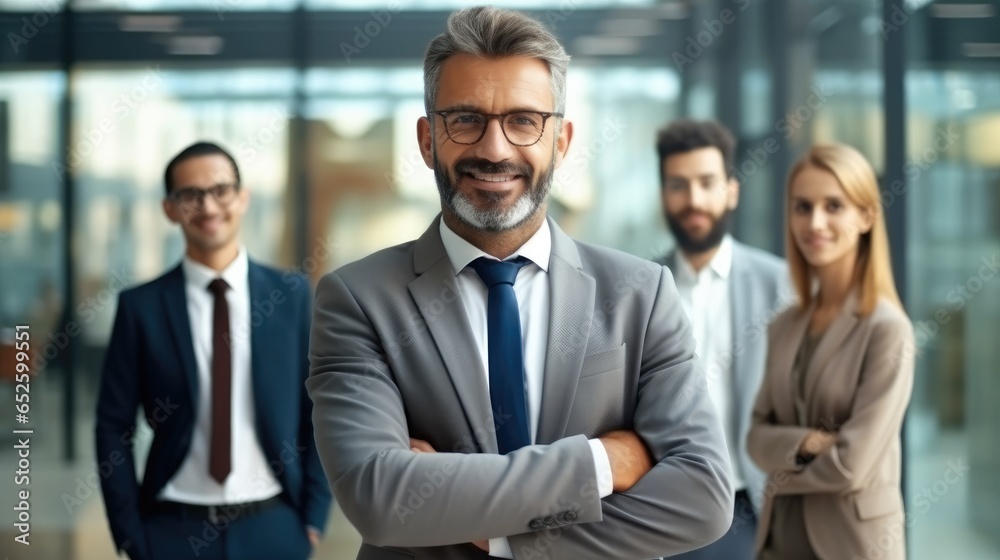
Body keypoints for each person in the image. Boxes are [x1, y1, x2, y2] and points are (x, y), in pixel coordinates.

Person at [306, 6, 733, 560]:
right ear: (427, 137)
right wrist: (604, 461)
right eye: (465, 119)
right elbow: (379, 498)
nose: (495, 149)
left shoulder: (642, 294)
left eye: (524, 120)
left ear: (561, 139)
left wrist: (501, 536)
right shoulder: (357, 301)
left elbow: (702, 496)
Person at [95, 142, 332, 560]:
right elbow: (113, 426)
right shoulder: (140, 307)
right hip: (171, 529)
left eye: (220, 190)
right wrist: (130, 534)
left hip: (275, 526)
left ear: (242, 198)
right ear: (170, 209)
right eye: (190, 195)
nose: (207, 206)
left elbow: (320, 409)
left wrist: (313, 517)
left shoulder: (291, 296)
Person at [747, 143, 914, 560]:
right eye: (802, 207)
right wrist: (810, 442)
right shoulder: (784, 326)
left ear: (866, 216)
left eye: (833, 206)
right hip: (779, 539)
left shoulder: (887, 330)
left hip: (851, 544)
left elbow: (851, 465)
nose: (815, 222)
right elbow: (754, 438)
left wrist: (781, 471)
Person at [654, 120, 791, 560]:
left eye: (707, 183)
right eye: (678, 185)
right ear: (663, 194)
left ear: (732, 190)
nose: (694, 199)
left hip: (751, 504)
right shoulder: (637, 287)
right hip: (662, 504)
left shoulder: (780, 286)